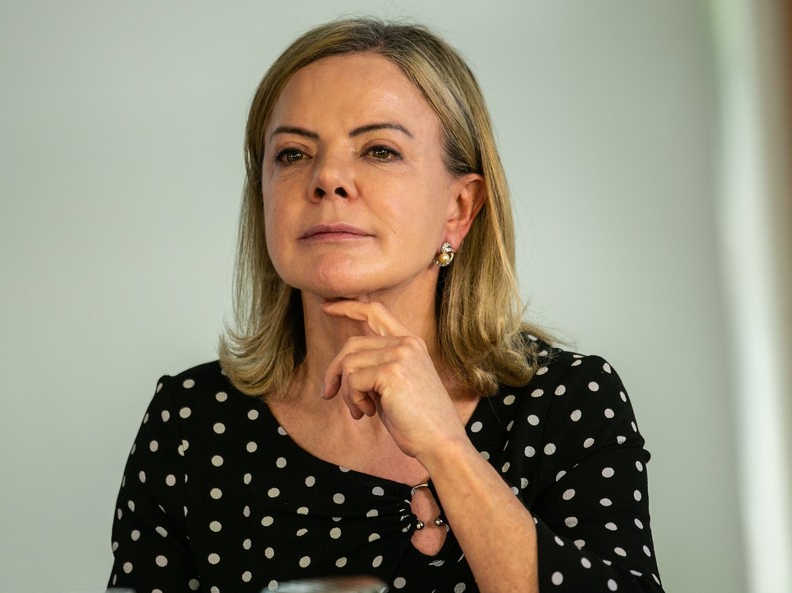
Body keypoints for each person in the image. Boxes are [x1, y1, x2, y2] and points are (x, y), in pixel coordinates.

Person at [107, 18, 665, 593]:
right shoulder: (190, 424)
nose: (327, 178)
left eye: (379, 150)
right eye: (293, 154)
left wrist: (446, 448)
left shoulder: (567, 402)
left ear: (459, 208)